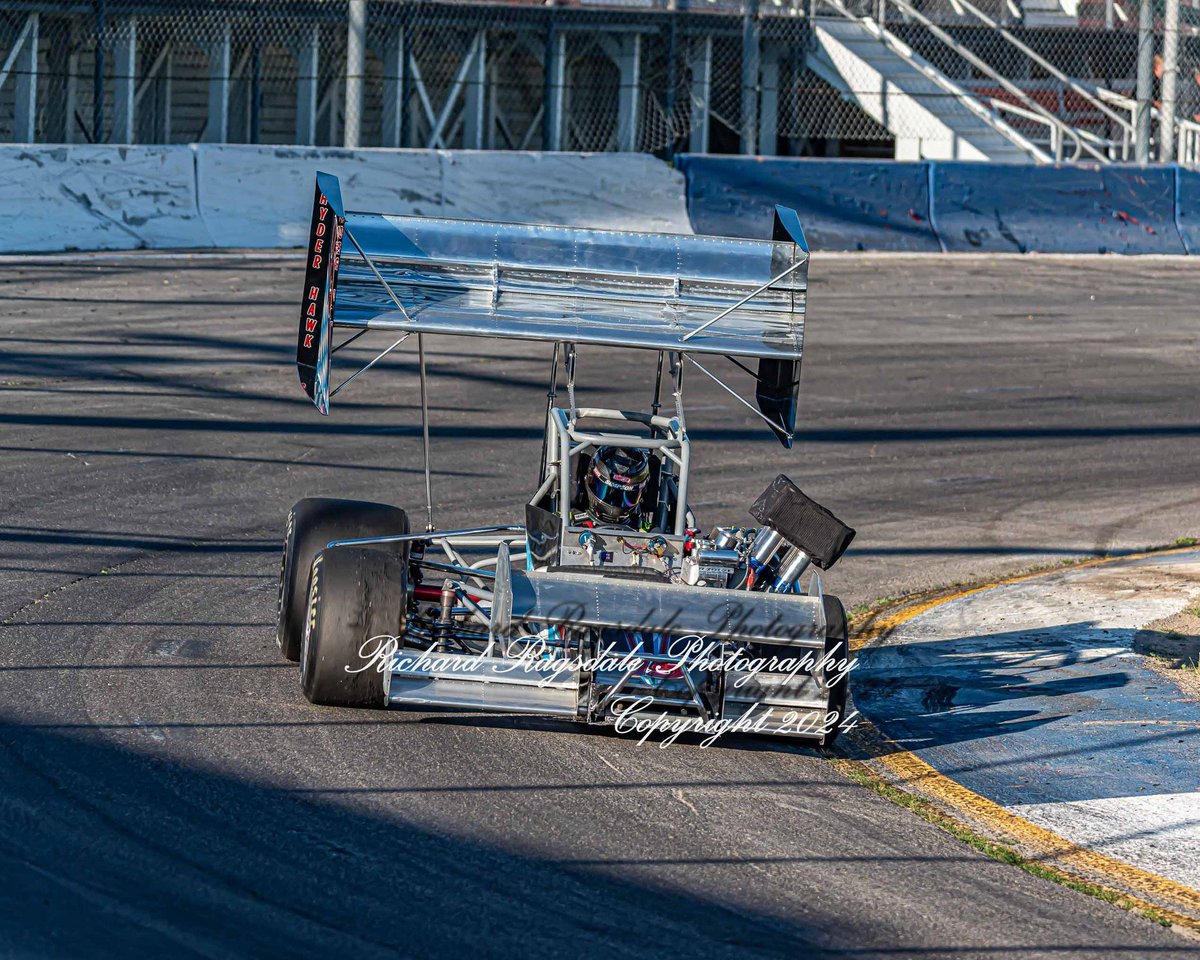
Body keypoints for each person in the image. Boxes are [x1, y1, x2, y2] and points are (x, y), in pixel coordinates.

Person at [571, 445, 654, 531]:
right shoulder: (569, 519)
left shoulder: (644, 529)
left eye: (627, 495)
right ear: (590, 478)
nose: (614, 505)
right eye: (608, 492)